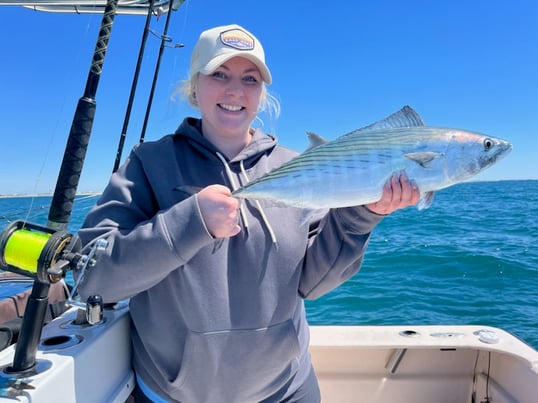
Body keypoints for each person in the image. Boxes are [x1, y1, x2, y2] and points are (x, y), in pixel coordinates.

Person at [77, 24, 420, 403]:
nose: (235, 90)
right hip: (173, 396)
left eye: (250, 79)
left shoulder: (300, 167)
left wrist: (363, 214)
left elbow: (313, 284)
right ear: (195, 86)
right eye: (219, 74)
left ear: (261, 93)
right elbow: (92, 279)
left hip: (288, 391)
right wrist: (190, 224)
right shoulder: (149, 164)